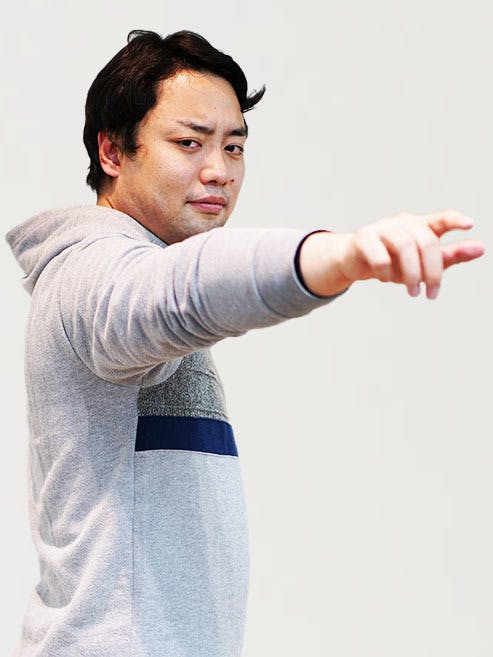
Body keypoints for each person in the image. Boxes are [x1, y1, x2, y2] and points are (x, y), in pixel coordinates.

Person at [5, 29, 484, 657]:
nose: (219, 171)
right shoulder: (90, 275)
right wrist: (334, 256)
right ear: (113, 151)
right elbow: (179, 294)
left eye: (233, 146)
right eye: (189, 143)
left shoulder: (138, 263)